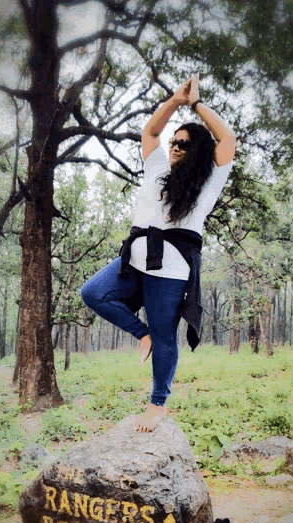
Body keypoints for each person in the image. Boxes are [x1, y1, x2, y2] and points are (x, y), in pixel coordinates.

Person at [81, 74, 237, 432]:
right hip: (134, 257)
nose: (176, 146)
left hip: (170, 268)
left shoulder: (209, 181)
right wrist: (175, 101)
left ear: (196, 150)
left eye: (184, 143)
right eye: (175, 141)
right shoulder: (156, 167)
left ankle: (158, 404)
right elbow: (151, 132)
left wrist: (196, 104)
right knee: (93, 293)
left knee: (166, 335)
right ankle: (142, 334)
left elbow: (227, 139)